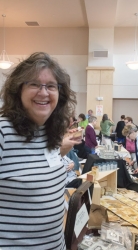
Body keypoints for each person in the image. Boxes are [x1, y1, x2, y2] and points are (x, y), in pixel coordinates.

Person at [0, 52, 81, 248]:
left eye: (51, 86)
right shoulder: (3, 132)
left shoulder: (49, 132)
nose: (44, 92)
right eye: (34, 84)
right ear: (18, 90)